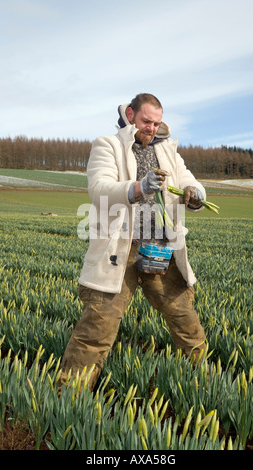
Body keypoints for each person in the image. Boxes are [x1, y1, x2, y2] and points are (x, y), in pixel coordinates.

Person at [60, 93, 207, 391]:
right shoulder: (108, 145)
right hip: (121, 250)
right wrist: (139, 187)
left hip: (161, 247)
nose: (151, 128)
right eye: (145, 121)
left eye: (156, 122)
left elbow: (188, 178)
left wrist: (195, 192)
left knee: (183, 315)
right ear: (130, 114)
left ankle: (203, 381)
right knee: (98, 325)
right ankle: (69, 397)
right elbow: (99, 189)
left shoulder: (167, 150)